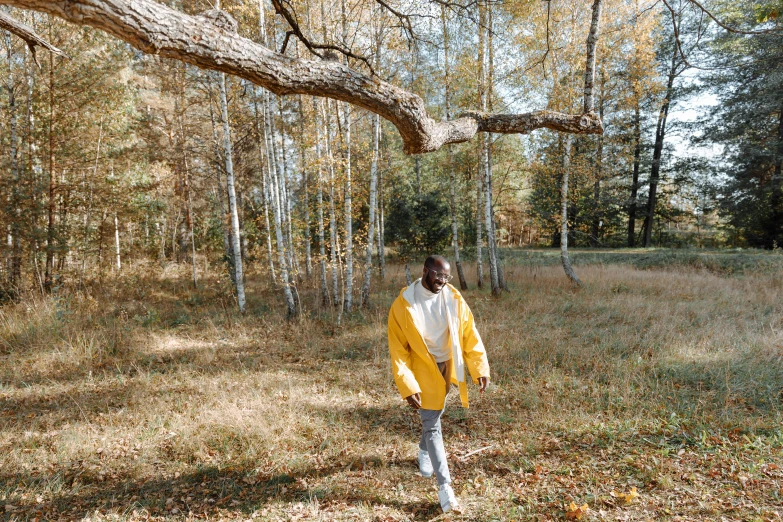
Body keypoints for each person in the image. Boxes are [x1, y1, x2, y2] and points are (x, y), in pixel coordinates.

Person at [387, 255, 490, 514]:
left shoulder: (453, 298)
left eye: (446, 277)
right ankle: (446, 489)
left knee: (436, 412)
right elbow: (398, 350)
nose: (442, 281)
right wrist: (408, 383)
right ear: (425, 271)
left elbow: (469, 333)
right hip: (423, 369)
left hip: (447, 365)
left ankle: (423, 450)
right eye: (438, 275)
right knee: (432, 423)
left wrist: (479, 367)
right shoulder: (403, 305)